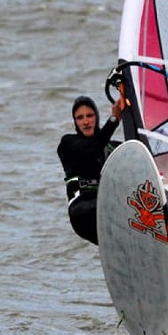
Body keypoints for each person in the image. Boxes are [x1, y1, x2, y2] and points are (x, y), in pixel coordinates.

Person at [57, 93, 124, 245]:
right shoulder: (68, 143)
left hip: (106, 205)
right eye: (80, 118)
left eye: (90, 115)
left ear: (96, 117)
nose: (86, 122)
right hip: (83, 210)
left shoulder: (111, 146)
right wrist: (114, 120)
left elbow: (139, 153)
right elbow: (91, 150)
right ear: (75, 122)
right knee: (109, 207)